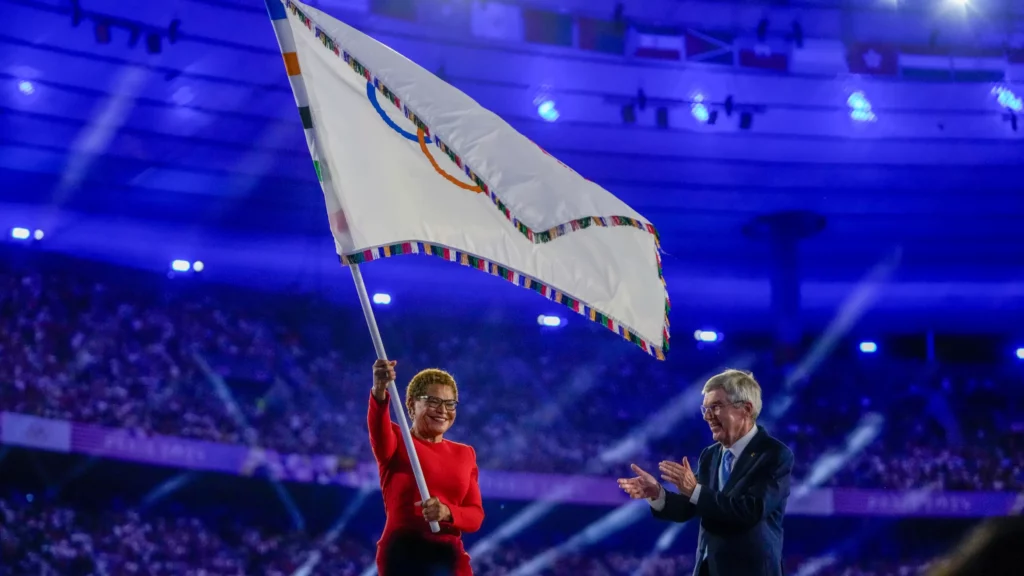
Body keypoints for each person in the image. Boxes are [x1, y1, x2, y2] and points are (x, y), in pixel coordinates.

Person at [617, 369, 793, 576]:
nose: (707, 416)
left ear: (745, 409)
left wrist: (694, 490)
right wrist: (657, 494)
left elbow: (751, 510)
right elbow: (689, 506)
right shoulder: (710, 455)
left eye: (716, 407)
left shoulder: (774, 454)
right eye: (705, 409)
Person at [369, 359, 484, 576]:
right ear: (411, 404)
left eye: (450, 403)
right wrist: (380, 389)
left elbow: (475, 515)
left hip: (449, 559)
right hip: (404, 556)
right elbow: (378, 426)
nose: (442, 410)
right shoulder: (396, 439)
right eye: (433, 401)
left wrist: (447, 512)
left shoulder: (465, 453)